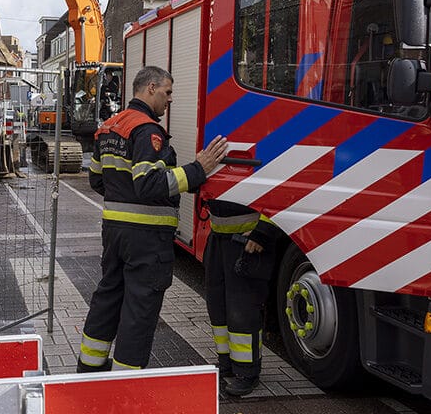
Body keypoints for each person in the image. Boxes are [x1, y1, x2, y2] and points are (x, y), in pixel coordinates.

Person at [77, 66, 227, 372]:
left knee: (108, 297)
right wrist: (198, 169)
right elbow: (148, 183)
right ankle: (126, 381)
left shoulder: (109, 126)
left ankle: (89, 369)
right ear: (150, 89)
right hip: (145, 238)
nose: (169, 99)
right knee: (139, 308)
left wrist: (123, 198)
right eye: (167, 92)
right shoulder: (148, 131)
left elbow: (96, 180)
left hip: (115, 232)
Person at [204, 204, 281, 396]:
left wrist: (263, 231)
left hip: (247, 241)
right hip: (218, 237)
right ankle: (226, 363)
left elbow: (280, 193)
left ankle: (248, 372)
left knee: (243, 309)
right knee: (218, 306)